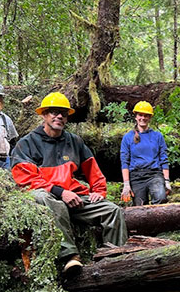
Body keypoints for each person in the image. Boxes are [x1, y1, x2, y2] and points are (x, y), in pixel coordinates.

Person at [11, 92, 127, 275]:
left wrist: (98, 190)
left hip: (73, 196)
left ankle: (115, 258)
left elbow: (92, 169)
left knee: (112, 211)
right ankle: (70, 256)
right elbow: (25, 179)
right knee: (44, 198)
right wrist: (60, 192)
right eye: (54, 112)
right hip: (46, 198)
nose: (59, 116)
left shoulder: (74, 141)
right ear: (44, 115)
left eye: (63, 114)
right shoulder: (27, 143)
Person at [120, 101, 171, 206]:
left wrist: (166, 181)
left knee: (161, 199)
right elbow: (125, 161)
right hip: (136, 176)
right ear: (136, 117)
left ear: (150, 117)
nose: (143, 118)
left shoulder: (157, 136)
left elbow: (164, 159)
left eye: (146, 115)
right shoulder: (128, 137)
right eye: (140, 115)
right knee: (140, 206)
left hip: (154, 174)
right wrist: (126, 184)